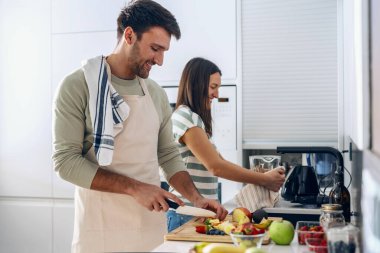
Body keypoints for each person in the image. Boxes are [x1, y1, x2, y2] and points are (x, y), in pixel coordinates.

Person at [52, 2, 227, 252]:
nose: (160, 60)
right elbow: (66, 162)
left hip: (149, 228)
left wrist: (196, 198)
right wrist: (135, 188)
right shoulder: (78, 86)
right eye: (155, 48)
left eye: (164, 51)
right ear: (129, 35)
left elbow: (168, 155)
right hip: (99, 228)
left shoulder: (154, 93)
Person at [167, 57, 286, 232]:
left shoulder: (196, 121)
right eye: (213, 87)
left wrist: (264, 176)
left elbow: (221, 163)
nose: (216, 94)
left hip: (200, 214)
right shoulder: (185, 117)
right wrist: (265, 180)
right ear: (196, 84)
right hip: (185, 214)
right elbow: (216, 167)